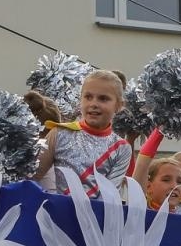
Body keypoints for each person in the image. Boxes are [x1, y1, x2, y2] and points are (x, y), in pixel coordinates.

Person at [34, 70, 130, 200]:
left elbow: (109, 198)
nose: (94, 104)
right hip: (58, 214)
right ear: (80, 100)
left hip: (95, 217)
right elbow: (32, 176)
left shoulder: (121, 148)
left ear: (119, 105)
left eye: (103, 98)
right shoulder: (59, 133)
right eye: (88, 97)